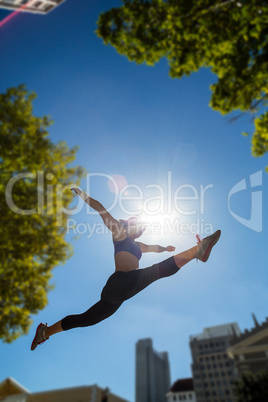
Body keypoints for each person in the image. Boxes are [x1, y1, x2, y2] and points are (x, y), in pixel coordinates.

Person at [31, 188, 221, 350]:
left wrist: (165, 248)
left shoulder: (138, 246)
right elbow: (101, 210)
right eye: (137, 226)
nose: (139, 230)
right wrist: (83, 195)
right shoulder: (119, 233)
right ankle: (198, 250)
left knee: (86, 319)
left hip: (119, 294)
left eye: (141, 229)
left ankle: (44, 332)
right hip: (119, 283)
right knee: (156, 272)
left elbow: (153, 248)